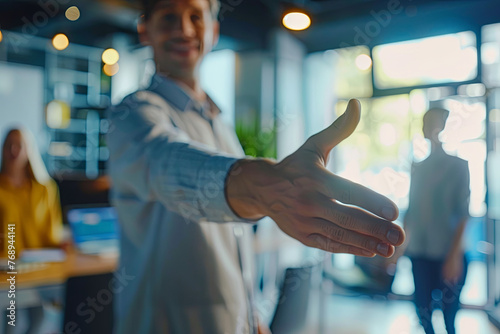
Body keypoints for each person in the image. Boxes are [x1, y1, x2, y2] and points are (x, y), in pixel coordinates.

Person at [106, 0, 406, 333]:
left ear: (215, 31)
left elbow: (230, 244)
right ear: (144, 29)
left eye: (195, 17)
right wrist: (267, 190)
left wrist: (251, 318)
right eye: (169, 17)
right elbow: (166, 164)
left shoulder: (218, 122)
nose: (185, 29)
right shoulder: (132, 115)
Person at [404, 108, 470, 334]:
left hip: (447, 252)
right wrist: (396, 250)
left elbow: (463, 213)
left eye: (431, 123)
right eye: (425, 123)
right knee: (423, 313)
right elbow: (411, 213)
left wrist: (454, 256)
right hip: (420, 253)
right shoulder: (418, 168)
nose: (427, 128)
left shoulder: (458, 166)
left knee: (449, 318)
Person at [0, 128, 63, 334]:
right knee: (13, 321)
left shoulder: (45, 188)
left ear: (29, 150)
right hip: (7, 268)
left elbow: (53, 230)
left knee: (41, 320)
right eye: (9, 145)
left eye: (19, 145)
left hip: (38, 267)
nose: (13, 150)